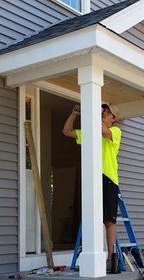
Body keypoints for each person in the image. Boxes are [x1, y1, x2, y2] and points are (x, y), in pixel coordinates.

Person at [62, 103, 122, 268]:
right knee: (91, 218)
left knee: (109, 221)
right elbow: (67, 131)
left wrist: (94, 113)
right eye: (104, 110)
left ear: (114, 118)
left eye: (108, 112)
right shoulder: (91, 132)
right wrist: (74, 114)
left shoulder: (115, 131)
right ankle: (88, 256)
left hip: (109, 179)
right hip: (93, 178)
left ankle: (111, 259)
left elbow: (103, 130)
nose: (105, 113)